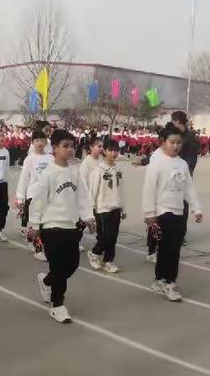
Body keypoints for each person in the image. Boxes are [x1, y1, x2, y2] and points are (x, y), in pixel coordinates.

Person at [30, 130, 95, 323]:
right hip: (51, 226)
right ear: (55, 149)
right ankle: (57, 304)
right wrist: (34, 224)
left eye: (72, 146)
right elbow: (39, 200)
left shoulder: (75, 172)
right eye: (65, 146)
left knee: (72, 264)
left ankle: (46, 280)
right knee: (58, 265)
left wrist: (88, 217)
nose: (70, 150)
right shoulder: (49, 173)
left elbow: (82, 197)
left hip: (71, 226)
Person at [143, 124, 203, 302]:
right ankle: (169, 281)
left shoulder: (182, 164)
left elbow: (188, 188)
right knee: (170, 248)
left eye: (179, 142)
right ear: (163, 143)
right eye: (172, 142)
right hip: (163, 210)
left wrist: (196, 208)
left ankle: (160, 278)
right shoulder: (157, 163)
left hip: (178, 211)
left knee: (170, 247)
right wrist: (149, 213)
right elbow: (149, 190)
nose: (176, 146)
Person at [87, 139, 126, 273]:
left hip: (116, 207)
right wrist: (91, 208)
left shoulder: (118, 169)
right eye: (110, 150)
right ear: (104, 151)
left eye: (116, 150)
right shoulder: (99, 170)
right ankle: (95, 253)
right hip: (102, 208)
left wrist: (123, 207)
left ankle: (108, 261)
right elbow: (93, 189)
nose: (114, 153)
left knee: (113, 236)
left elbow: (121, 189)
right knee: (105, 235)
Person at [15, 130, 53, 259]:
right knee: (37, 224)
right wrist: (20, 198)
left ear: (46, 141)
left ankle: (31, 237)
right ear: (32, 143)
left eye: (42, 140)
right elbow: (24, 179)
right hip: (33, 195)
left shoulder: (50, 158)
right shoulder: (29, 159)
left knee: (45, 223)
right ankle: (38, 250)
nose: (40, 143)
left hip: (47, 196)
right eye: (37, 141)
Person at [171, 111, 199, 242]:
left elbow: (192, 160)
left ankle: (180, 236)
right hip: (170, 176)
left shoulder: (190, 138)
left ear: (178, 122)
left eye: (173, 121)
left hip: (183, 178)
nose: (172, 123)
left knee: (183, 208)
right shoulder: (174, 136)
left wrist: (182, 173)